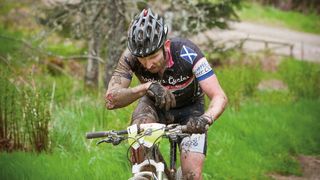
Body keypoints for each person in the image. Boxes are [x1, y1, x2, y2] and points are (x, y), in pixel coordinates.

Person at [105, 8, 227, 180]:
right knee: (142, 161)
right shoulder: (130, 57)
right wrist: (146, 87)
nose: (147, 65)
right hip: (153, 106)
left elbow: (219, 96)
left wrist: (206, 119)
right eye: (142, 58)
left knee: (192, 175)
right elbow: (111, 100)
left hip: (190, 109)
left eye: (153, 56)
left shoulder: (188, 52)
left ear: (165, 45)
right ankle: (150, 171)